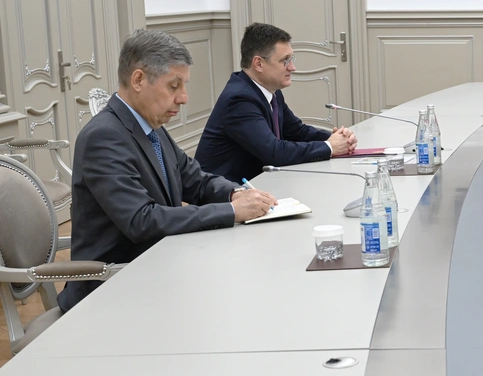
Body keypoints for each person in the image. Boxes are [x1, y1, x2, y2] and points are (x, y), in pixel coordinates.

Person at [62, 30, 277, 313]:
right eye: (174, 86)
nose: (184, 98)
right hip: (113, 289)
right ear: (138, 80)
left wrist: (235, 194)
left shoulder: (149, 126)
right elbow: (141, 220)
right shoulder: (103, 136)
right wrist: (232, 211)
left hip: (158, 267)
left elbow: (196, 181)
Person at [195, 23, 357, 184]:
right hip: (224, 192)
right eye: (285, 61)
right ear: (258, 64)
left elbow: (296, 131)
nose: (292, 67)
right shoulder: (239, 99)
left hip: (259, 183)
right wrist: (330, 147)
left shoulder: (270, 91)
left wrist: (337, 139)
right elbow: (274, 152)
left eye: (291, 59)